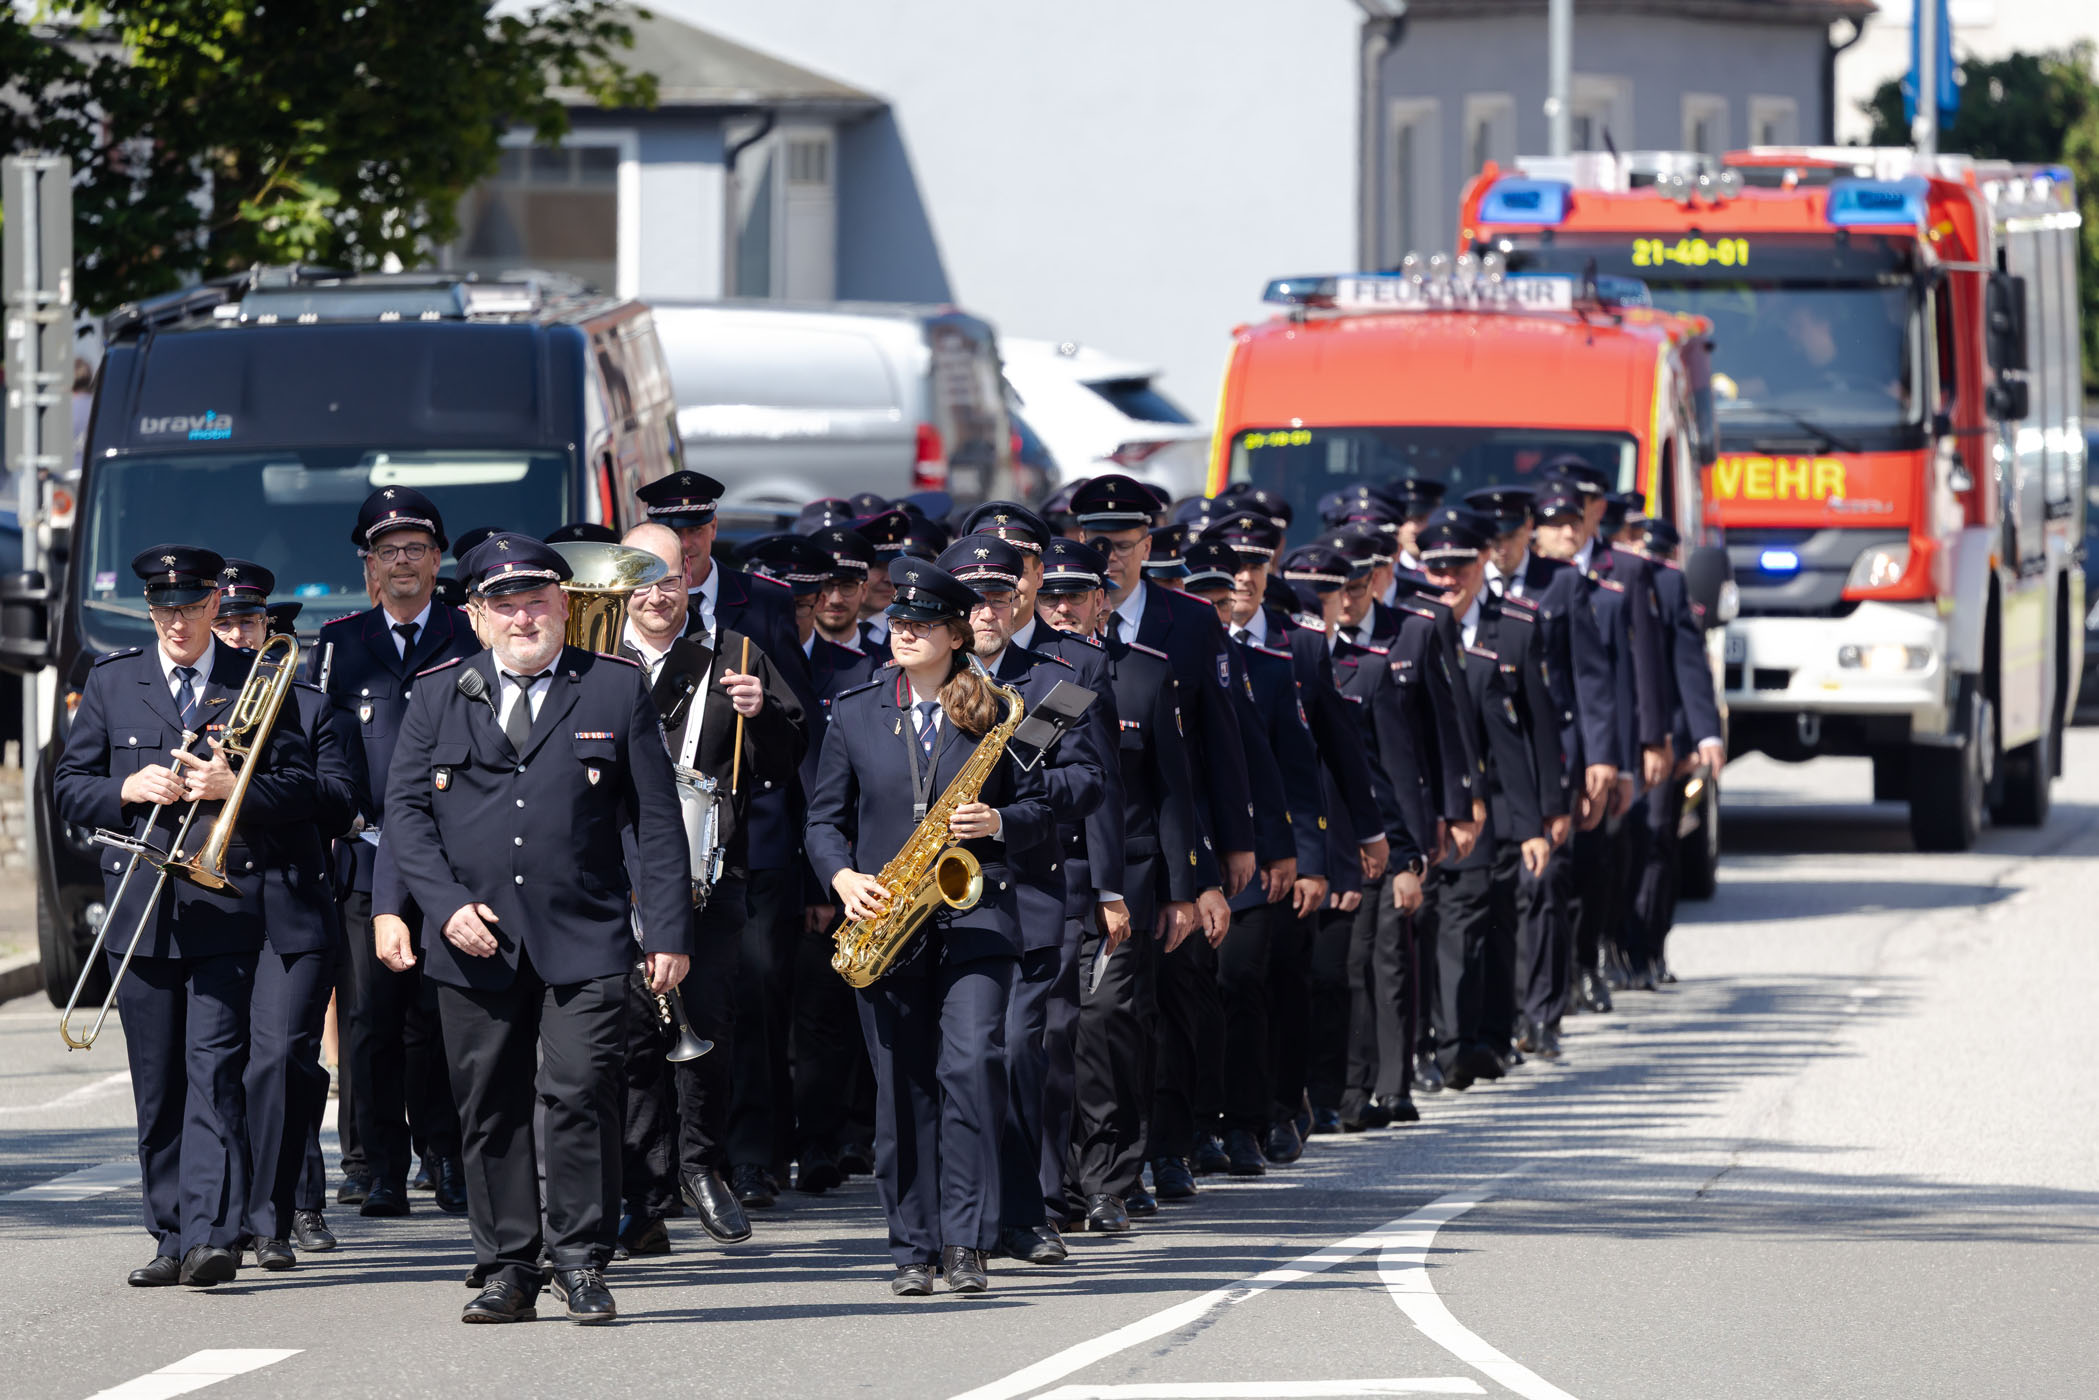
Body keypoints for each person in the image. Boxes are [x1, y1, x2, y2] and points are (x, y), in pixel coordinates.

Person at [384, 533, 691, 1325]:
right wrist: (443, 905)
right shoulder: (436, 693)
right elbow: (408, 817)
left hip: (583, 934)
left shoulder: (613, 689)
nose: (525, 617)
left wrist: (666, 930)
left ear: (563, 604)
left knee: (581, 1093)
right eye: (506, 605)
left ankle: (582, 1260)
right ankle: (507, 1265)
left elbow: (654, 821)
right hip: (475, 938)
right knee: (489, 1106)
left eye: (538, 600)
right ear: (476, 617)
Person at [803, 559, 1071, 1297]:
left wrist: (1000, 821)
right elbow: (823, 818)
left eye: (921, 625)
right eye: (897, 622)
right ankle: (912, 1248)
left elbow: (1048, 807)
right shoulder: (854, 708)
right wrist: (843, 877)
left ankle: (966, 1241)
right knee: (901, 1089)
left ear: (956, 634)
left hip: (976, 918)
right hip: (886, 918)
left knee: (971, 1067)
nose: (904, 632)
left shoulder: (1000, 708)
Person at [54, 545, 315, 1287]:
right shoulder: (113, 682)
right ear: (150, 611)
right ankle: (167, 1234)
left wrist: (237, 781)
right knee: (158, 1082)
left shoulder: (257, 678)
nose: (177, 620)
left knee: (214, 1074)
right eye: (164, 608)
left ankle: (210, 1236)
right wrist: (127, 788)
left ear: (212, 607)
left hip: (224, 902)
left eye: (191, 606)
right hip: (139, 905)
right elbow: (70, 786)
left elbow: (300, 785)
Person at [616, 522, 805, 1249]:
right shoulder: (596, 657)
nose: (658, 592)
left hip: (707, 871)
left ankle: (700, 1166)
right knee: (633, 1037)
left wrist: (763, 715)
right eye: (642, 578)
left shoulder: (736, 653)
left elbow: (785, 761)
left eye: (669, 576)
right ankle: (641, 1190)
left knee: (706, 1025)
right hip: (619, 871)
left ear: (690, 578)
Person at [932, 532, 1118, 1251]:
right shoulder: (917, 678)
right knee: (957, 1059)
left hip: (1027, 891)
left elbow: (1088, 782)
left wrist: (1010, 811)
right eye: (972, 598)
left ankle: (1027, 1209)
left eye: (1000, 596)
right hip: (934, 898)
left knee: (1016, 1050)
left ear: (1022, 601)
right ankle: (959, 1217)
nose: (985, 612)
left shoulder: (1058, 680)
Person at [304, 485, 478, 1217]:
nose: (401, 562)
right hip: (369, 853)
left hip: (453, 857)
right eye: (386, 551)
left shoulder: (473, 637)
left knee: (442, 1014)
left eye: (414, 548)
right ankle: (375, 1161)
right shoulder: (339, 644)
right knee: (371, 1015)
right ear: (368, 564)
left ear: (438, 558)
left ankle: (445, 1154)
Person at [211, 562, 363, 1271]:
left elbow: (339, 801)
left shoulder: (313, 706)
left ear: (270, 629)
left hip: (291, 906)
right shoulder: (192, 705)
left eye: (247, 622)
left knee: (282, 1061)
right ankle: (238, 1209)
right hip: (211, 904)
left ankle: (290, 1207)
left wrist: (251, 786)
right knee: (228, 1066)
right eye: (224, 623)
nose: (236, 634)